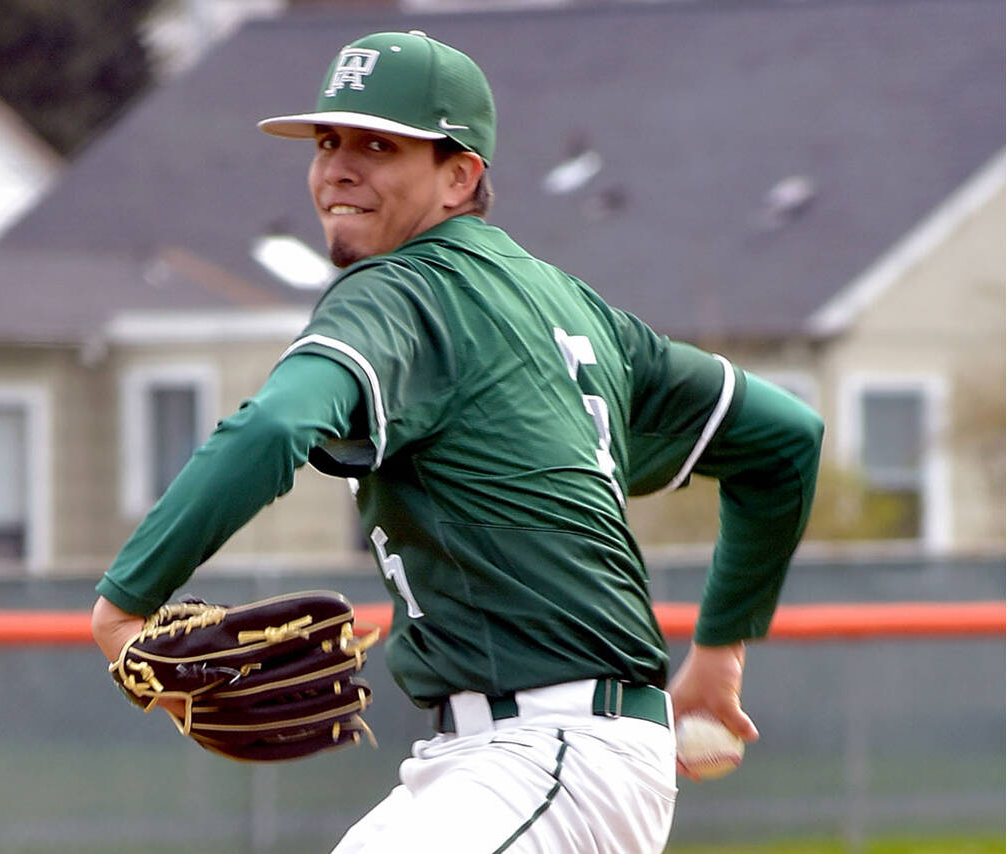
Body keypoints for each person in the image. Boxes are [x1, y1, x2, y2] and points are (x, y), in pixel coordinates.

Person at [92, 30, 823, 854]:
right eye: (329, 141)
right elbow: (784, 438)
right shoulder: (575, 308)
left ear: (460, 175)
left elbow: (271, 425)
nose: (338, 167)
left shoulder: (402, 292)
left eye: (379, 144)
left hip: (549, 758)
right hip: (504, 760)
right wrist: (720, 652)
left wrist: (125, 606)